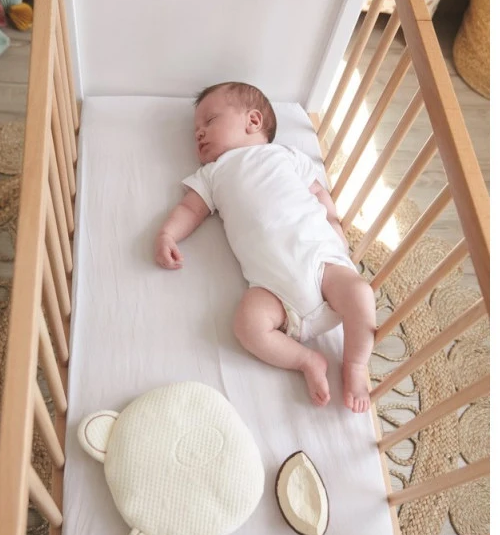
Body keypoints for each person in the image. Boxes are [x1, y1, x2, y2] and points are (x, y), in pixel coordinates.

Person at [154, 82, 376, 412]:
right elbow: (190, 209)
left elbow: (319, 193)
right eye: (195, 131)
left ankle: (355, 364)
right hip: (272, 290)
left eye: (209, 121)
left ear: (254, 121)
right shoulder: (212, 174)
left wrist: (333, 224)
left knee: (360, 294)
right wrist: (168, 234)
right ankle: (305, 360)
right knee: (246, 326)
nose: (199, 133)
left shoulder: (285, 155)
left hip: (320, 263)